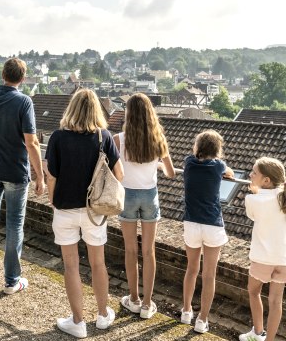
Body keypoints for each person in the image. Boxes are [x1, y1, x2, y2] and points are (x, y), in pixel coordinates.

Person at [45, 89, 124, 338]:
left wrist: (53, 199)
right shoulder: (104, 137)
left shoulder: (58, 137)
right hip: (95, 210)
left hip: (65, 208)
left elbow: (51, 175)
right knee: (98, 263)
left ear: (72, 108)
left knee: (71, 266)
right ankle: (102, 315)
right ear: (96, 110)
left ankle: (77, 322)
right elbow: (119, 175)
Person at [0, 58, 45, 294]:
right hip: (15, 172)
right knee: (15, 224)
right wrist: (40, 176)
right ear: (22, 79)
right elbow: (32, 143)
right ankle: (12, 281)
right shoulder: (24, 102)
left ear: (3, 74)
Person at [113, 93, 175, 320]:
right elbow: (170, 172)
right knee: (149, 252)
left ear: (128, 113)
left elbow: (113, 171)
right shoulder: (159, 139)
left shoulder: (118, 139)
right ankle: (148, 304)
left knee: (130, 250)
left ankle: (134, 299)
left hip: (126, 195)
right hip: (150, 196)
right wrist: (156, 164)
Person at [180, 129, 234, 334]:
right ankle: (202, 320)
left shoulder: (189, 163)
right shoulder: (219, 166)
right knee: (209, 275)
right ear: (217, 149)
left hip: (191, 223)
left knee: (191, 269)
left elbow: (192, 158)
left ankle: (186, 311)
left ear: (198, 147)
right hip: (212, 223)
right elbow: (228, 172)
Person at [239, 157, 286, 341]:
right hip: (283, 259)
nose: (250, 174)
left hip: (262, 259)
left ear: (266, 180)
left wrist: (255, 192)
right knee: (276, 302)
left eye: (254, 172)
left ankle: (257, 332)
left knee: (253, 291)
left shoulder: (253, 199)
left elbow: (252, 216)